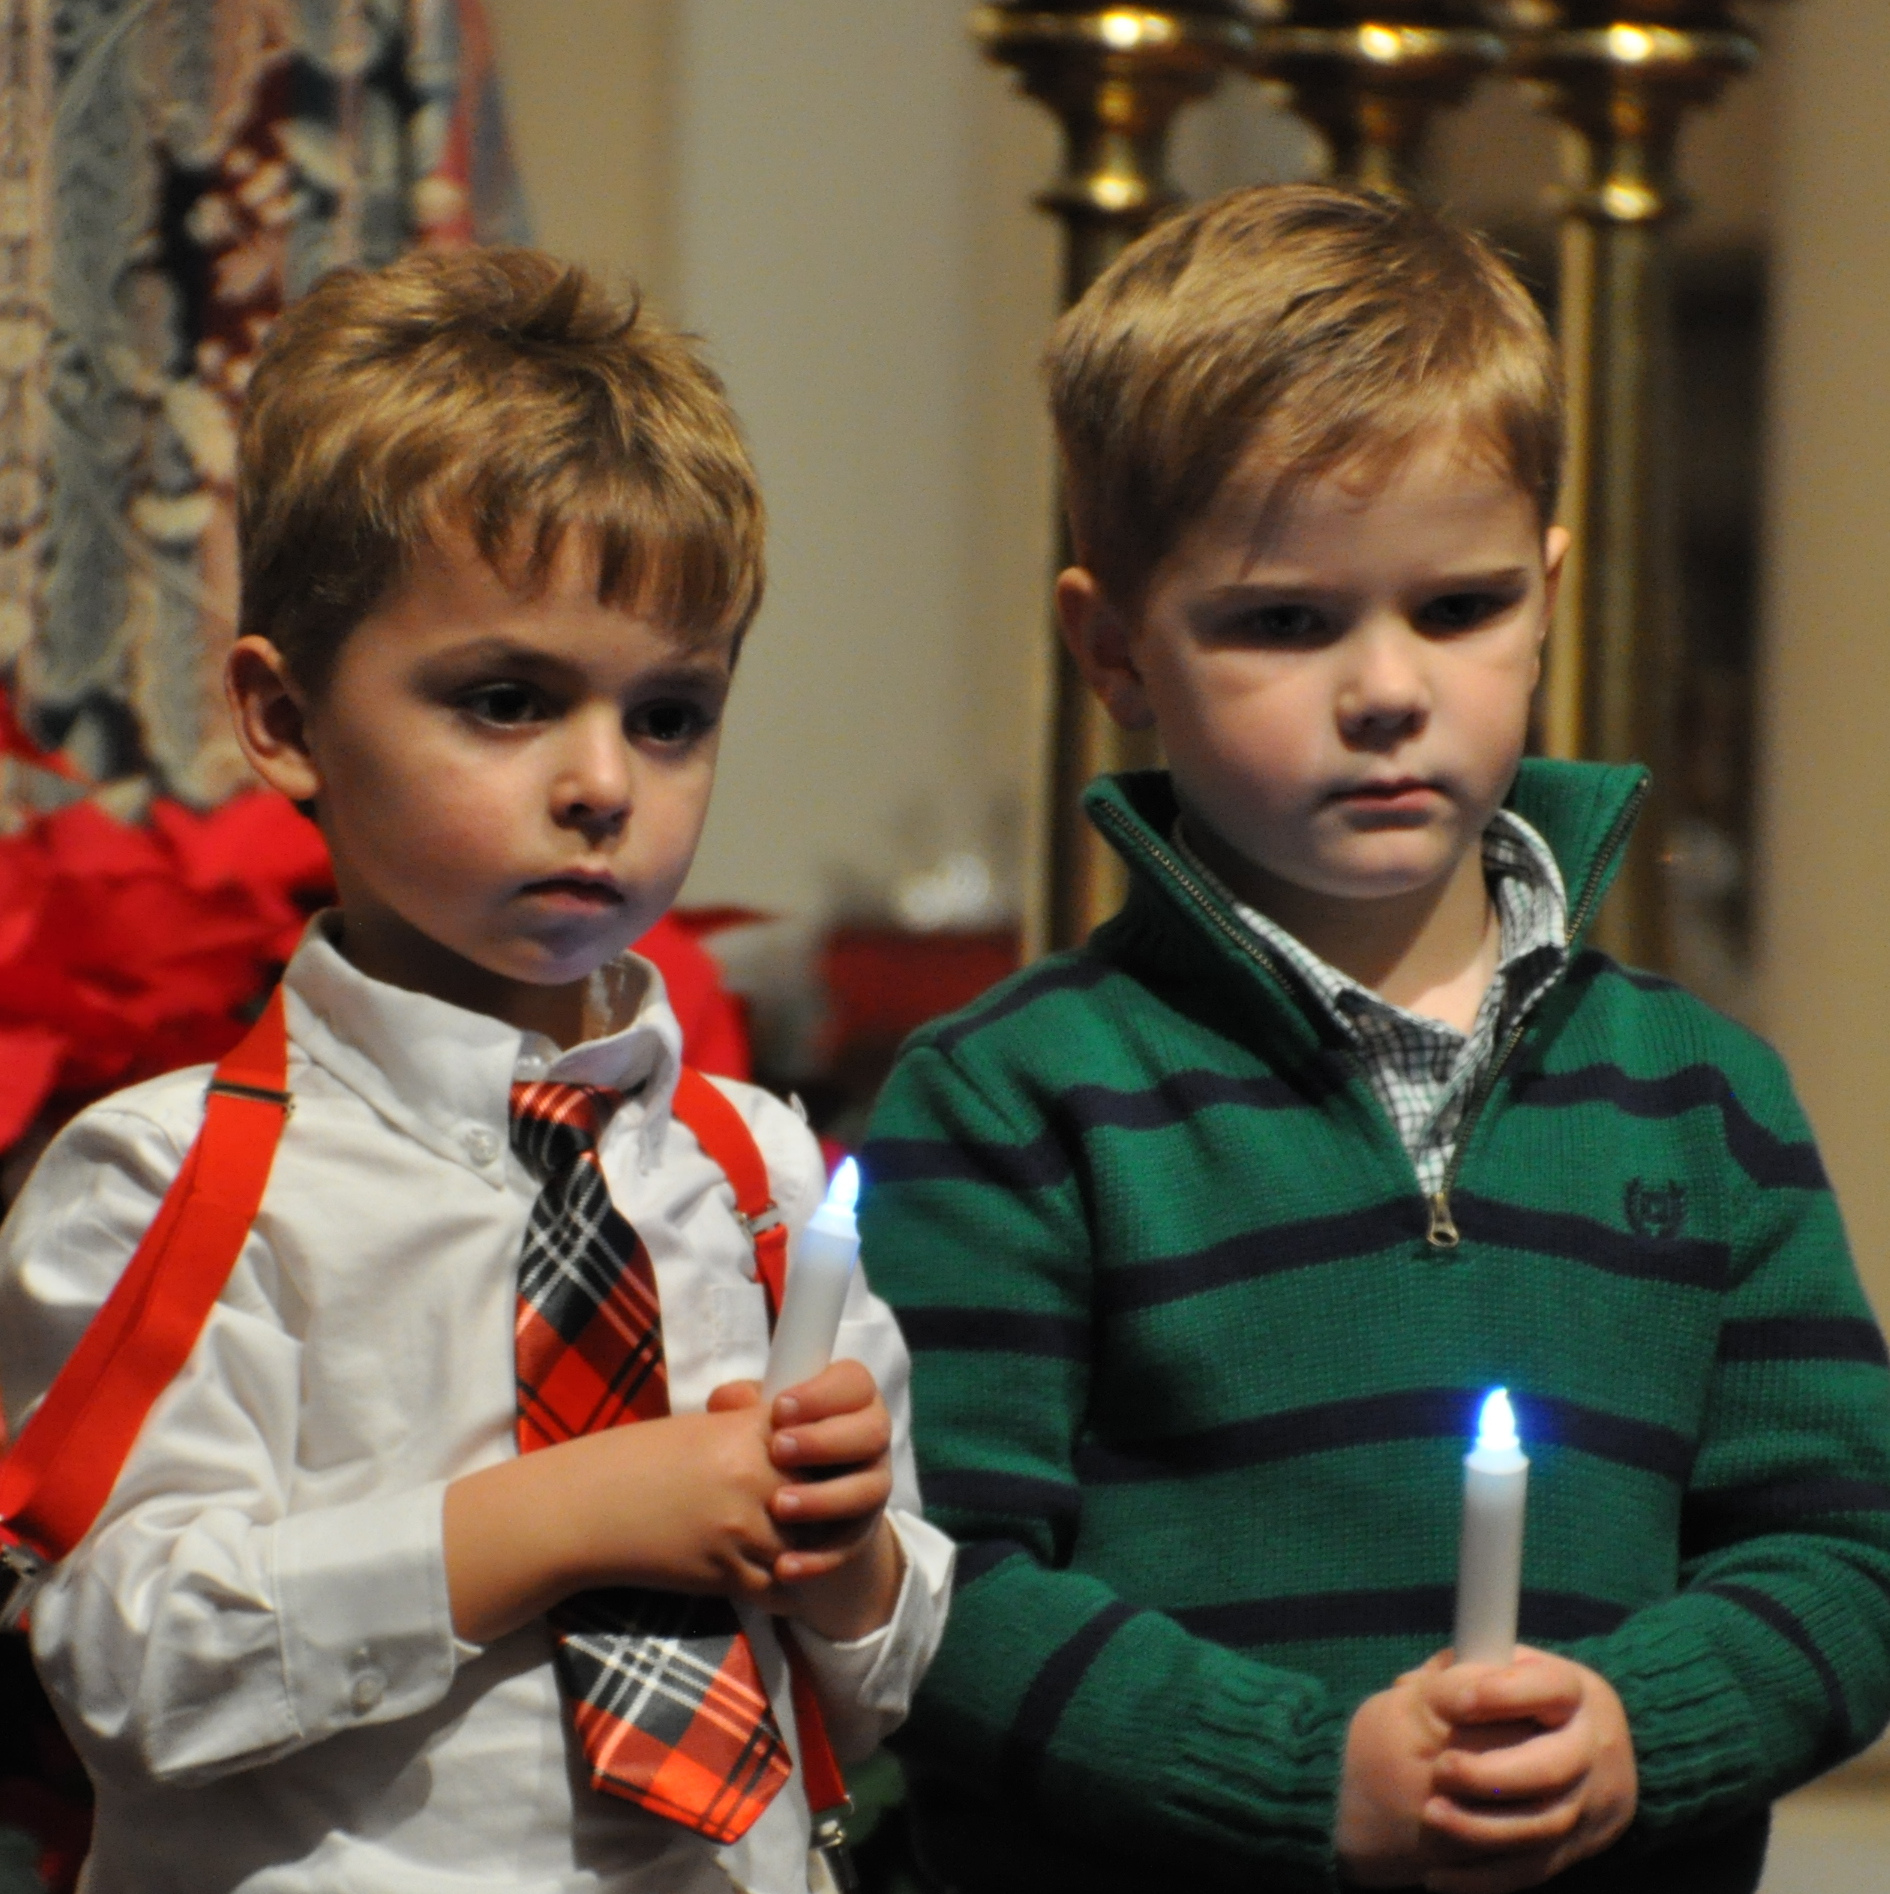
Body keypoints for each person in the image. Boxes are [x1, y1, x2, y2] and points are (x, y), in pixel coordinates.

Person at [859, 183, 1890, 1894]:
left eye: (1457, 607)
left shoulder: (1705, 1098)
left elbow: (1842, 1551)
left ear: (1547, 596)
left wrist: (1638, 1726)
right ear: (1112, 646)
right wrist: (1300, 1779)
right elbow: (923, 1584)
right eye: (1284, 619)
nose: (1387, 689)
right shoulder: (1010, 1101)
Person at [0, 248, 952, 1894]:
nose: (602, 782)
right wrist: (568, 1514)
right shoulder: (169, 1181)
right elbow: (128, 1662)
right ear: (284, 718)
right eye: (507, 700)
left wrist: (848, 1549)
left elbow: (876, 1684)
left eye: (669, 715)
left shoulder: (756, 1170)